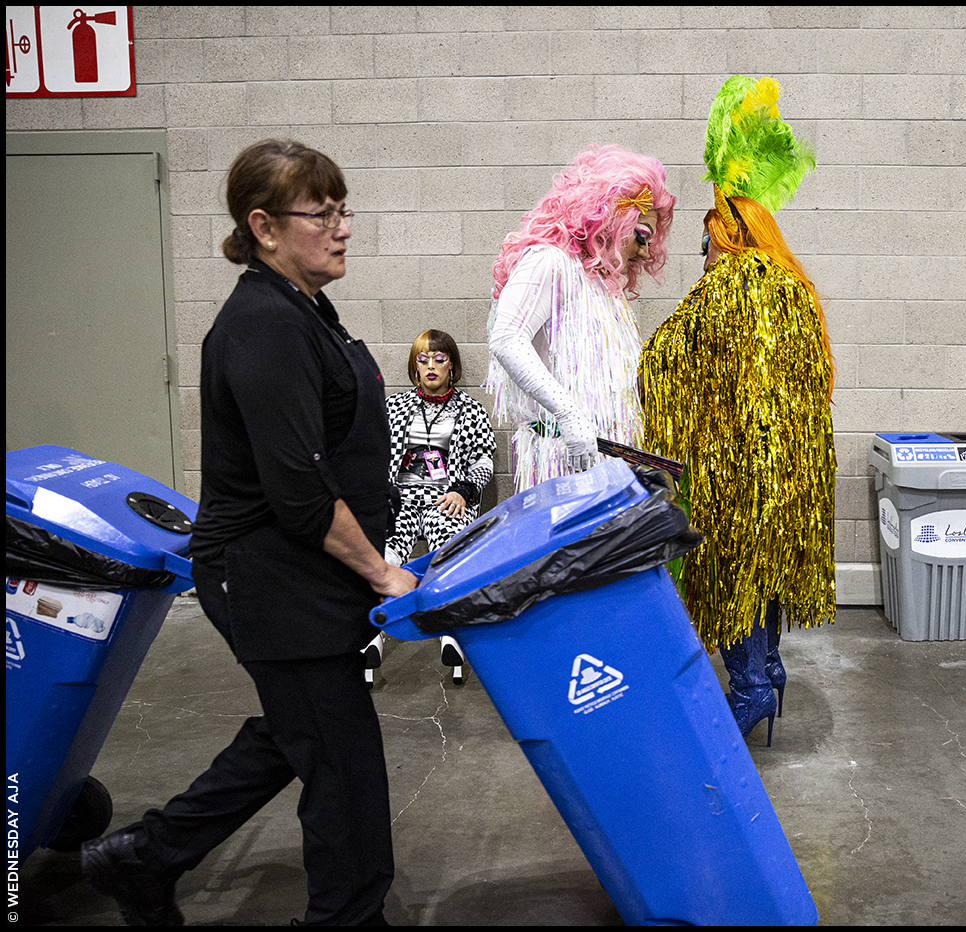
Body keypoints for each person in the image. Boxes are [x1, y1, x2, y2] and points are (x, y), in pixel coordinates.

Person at [81, 139, 417, 926]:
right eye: (321, 214)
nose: (340, 229)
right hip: (269, 577)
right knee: (343, 769)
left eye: (343, 211)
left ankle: (143, 856)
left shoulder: (305, 309)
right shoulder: (263, 324)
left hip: (301, 574)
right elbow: (299, 490)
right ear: (263, 226)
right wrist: (382, 572)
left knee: (296, 733)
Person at [640, 76, 836, 746]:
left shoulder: (723, 291)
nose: (702, 258)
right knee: (768, 569)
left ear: (727, 239)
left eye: (706, 244)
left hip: (736, 469)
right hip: (789, 471)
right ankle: (770, 673)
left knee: (733, 575)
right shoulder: (793, 287)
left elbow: (665, 359)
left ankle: (749, 690)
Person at [486, 144, 675, 492]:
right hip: (564, 461)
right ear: (613, 221)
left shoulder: (602, 283)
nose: (646, 251)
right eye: (641, 236)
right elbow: (507, 337)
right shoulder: (549, 261)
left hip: (606, 463)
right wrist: (568, 415)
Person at [361, 328, 495, 685]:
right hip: (399, 500)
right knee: (385, 555)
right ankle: (372, 635)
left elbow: (484, 460)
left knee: (447, 553)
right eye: (423, 359)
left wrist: (463, 492)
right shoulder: (394, 407)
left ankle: (450, 633)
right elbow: (370, 454)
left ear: (452, 365)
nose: (431, 365)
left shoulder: (470, 410)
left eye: (439, 358)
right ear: (414, 366)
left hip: (445, 499)